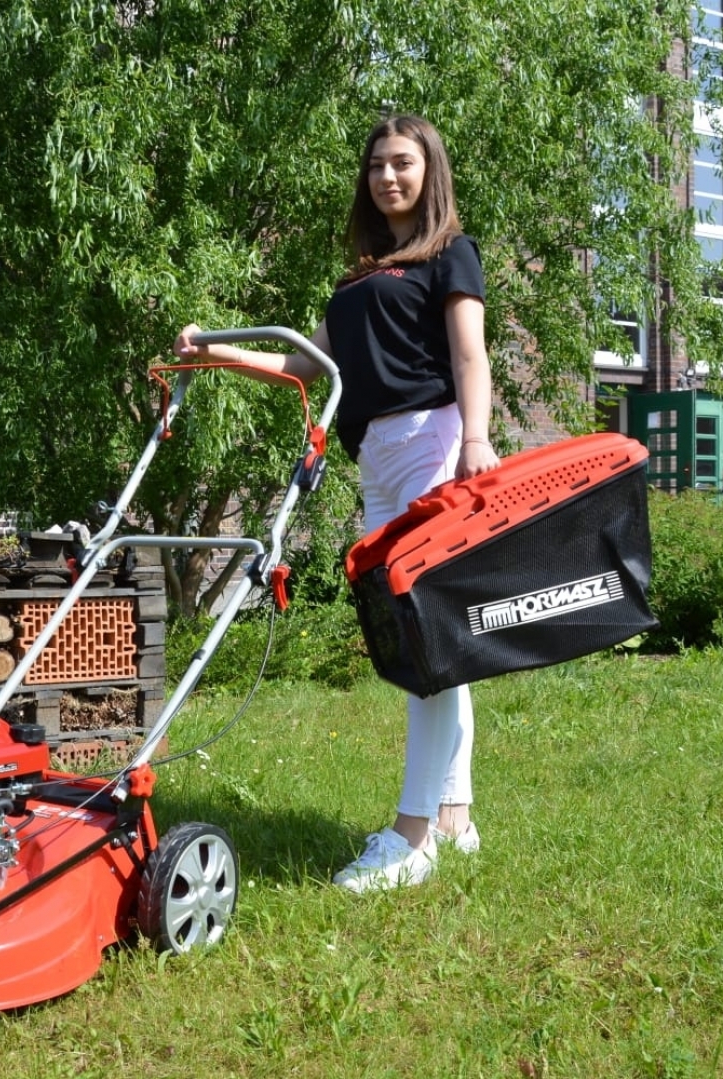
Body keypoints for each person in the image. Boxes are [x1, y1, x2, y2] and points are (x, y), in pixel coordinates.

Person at [173, 114, 500, 893]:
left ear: (430, 172)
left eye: (404, 163)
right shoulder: (357, 278)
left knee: (423, 638)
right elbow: (302, 362)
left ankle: (409, 839)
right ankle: (454, 817)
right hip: (377, 455)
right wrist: (216, 350)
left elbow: (469, 354)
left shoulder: (451, 254)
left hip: (433, 439)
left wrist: (476, 442)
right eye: (378, 165)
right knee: (432, 637)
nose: (389, 176)